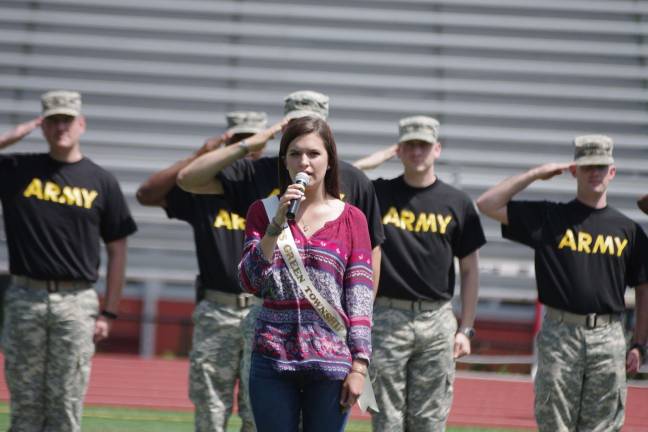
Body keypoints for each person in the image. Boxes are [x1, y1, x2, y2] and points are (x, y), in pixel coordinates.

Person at [476, 135, 648, 431]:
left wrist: (640, 344)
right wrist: (534, 175)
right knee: (554, 422)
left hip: (607, 337)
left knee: (603, 426)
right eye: (587, 167)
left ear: (612, 171)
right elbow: (487, 203)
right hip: (560, 334)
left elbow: (644, 292)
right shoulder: (549, 217)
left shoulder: (628, 230)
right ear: (574, 171)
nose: (594, 173)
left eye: (601, 166)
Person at [0, 90, 137, 431]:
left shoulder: (101, 180)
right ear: (42, 126)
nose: (61, 127)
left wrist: (109, 310)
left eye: (67, 119)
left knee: (66, 403)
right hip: (25, 299)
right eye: (52, 120)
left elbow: (117, 249)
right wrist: (10, 136)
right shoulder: (17, 169)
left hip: (76, 301)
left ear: (81, 124)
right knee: (25, 405)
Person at [136, 111, 271, 431]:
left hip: (264, 311)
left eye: (254, 141)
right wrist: (200, 155)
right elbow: (147, 194)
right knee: (210, 412)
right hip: (217, 310)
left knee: (260, 411)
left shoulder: (274, 192)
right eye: (239, 141)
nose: (247, 148)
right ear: (227, 143)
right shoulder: (203, 192)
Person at [176, 90, 385, 297]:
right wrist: (248, 144)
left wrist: (363, 317)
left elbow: (371, 253)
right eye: (294, 124)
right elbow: (188, 179)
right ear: (283, 128)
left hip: (328, 316)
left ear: (326, 130)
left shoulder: (354, 180)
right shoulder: (256, 172)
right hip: (269, 311)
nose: (303, 130)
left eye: (310, 122)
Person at [238, 116, 373, 432]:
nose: (304, 162)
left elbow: (360, 298)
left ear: (329, 160)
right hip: (272, 357)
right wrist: (276, 225)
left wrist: (360, 365)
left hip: (331, 363)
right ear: (284, 161)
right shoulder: (264, 211)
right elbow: (248, 281)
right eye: (295, 153)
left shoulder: (352, 219)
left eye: (313, 153)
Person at [357, 116, 485, 431]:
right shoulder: (378, 194)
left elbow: (470, 269)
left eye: (424, 145)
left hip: (437, 320)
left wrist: (465, 328)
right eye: (410, 145)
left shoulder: (458, 202)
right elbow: (339, 178)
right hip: (387, 317)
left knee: (430, 421)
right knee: (386, 420)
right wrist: (383, 156)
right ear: (399, 150)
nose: (417, 152)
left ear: (437, 149)